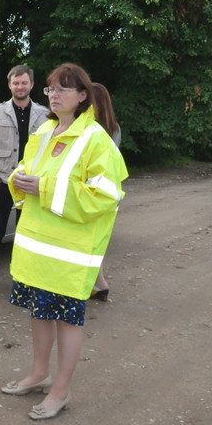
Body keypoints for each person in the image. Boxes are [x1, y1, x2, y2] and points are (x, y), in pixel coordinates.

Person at [0, 63, 127, 420]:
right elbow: (27, 169)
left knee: (68, 321)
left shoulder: (96, 140)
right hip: (37, 248)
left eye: (62, 89)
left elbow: (105, 196)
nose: (54, 95)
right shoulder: (44, 131)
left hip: (70, 253)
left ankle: (61, 389)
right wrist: (19, 179)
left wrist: (43, 187)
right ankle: (39, 374)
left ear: (83, 96)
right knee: (40, 313)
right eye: (51, 89)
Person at [0, 65, 49, 286]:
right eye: (16, 83)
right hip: (3, 181)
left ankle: (23, 279)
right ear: (9, 85)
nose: (20, 87)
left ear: (32, 84)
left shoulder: (44, 115)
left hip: (30, 183)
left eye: (24, 83)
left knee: (27, 233)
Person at [90, 82, 122, 300]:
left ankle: (97, 284)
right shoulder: (114, 128)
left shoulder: (92, 130)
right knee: (97, 240)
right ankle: (100, 284)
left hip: (93, 191)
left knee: (88, 241)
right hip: (110, 191)